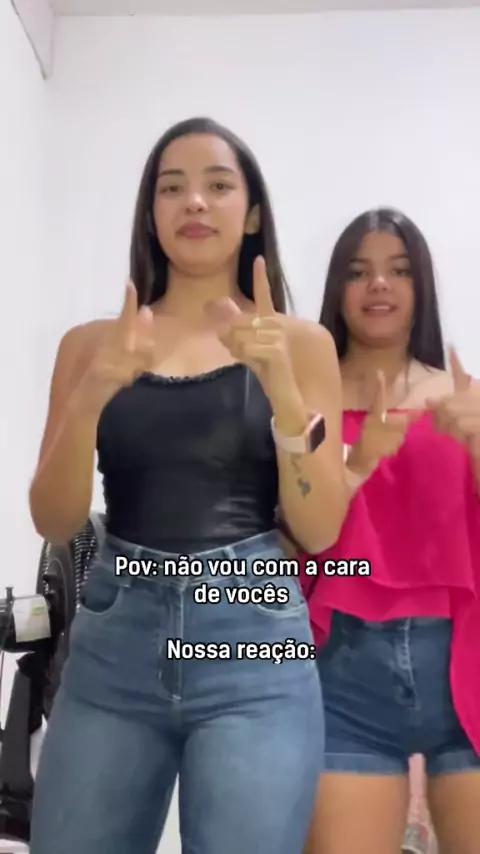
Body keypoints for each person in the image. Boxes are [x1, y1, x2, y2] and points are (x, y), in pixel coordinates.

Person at [27, 116, 347, 854]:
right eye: (172, 188)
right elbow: (54, 519)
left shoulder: (301, 344)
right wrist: (93, 394)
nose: (194, 202)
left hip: (255, 642)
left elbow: (321, 528)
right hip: (115, 642)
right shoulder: (92, 344)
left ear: (252, 213)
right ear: (151, 213)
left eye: (218, 185)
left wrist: (282, 391)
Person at [300, 208, 480, 854]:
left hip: (466, 659)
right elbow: (290, 534)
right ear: (338, 288)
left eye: (398, 270)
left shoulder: (465, 399)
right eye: (359, 271)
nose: (379, 284)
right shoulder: (303, 404)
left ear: (420, 285)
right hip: (341, 672)